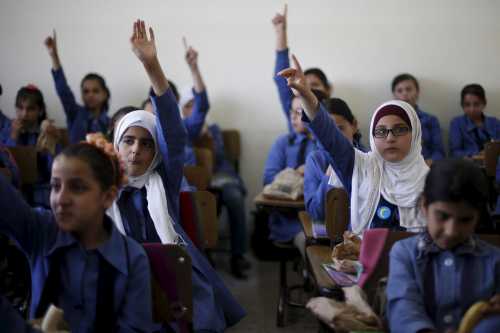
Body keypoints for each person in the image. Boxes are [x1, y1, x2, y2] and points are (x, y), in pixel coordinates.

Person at [108, 20, 245, 332]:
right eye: (128, 141)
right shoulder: (106, 188)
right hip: (123, 273)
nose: (135, 151)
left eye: (145, 143)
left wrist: (151, 64)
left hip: (173, 271)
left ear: (156, 152)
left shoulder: (163, 179)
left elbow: (171, 127)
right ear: (116, 145)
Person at [0, 141, 153, 332]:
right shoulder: (41, 230)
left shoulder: (132, 259)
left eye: (78, 188)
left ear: (107, 197)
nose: (61, 199)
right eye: (55, 187)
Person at [278, 55, 428, 234]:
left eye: (400, 129)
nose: (389, 138)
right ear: (373, 137)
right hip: (364, 259)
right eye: (381, 131)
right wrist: (306, 95)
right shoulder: (361, 166)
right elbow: (329, 135)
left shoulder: (432, 180)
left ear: (416, 134)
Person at [387, 158, 500, 333]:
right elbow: (403, 307)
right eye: (442, 216)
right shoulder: (404, 254)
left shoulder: (495, 261)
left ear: (478, 216)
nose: (451, 231)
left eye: (465, 219)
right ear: (424, 205)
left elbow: (495, 317)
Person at [272, 4, 332, 133]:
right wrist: (280, 32)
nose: (307, 90)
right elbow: (281, 77)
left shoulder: (336, 117)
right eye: (304, 85)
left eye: (314, 85)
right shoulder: (294, 105)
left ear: (329, 90)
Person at [304, 97, 366, 221]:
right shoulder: (315, 160)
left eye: (340, 129)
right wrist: (330, 177)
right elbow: (316, 213)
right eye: (329, 132)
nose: (335, 137)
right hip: (329, 235)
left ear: (353, 125)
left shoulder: (368, 158)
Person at [45, 30, 111, 143]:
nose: (90, 95)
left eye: (95, 91)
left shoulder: (111, 123)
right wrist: (54, 56)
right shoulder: (75, 113)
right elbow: (63, 91)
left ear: (105, 94)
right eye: (86, 91)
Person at [391, 73, 445, 163]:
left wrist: (430, 162)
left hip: (426, 167)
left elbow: (439, 152)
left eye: (408, 89)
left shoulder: (431, 120)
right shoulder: (387, 121)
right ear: (394, 95)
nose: (405, 94)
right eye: (400, 91)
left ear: (417, 92)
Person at [449, 84, 500, 158]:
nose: (472, 109)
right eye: (467, 104)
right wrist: (476, 154)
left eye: (476, 104)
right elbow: (454, 152)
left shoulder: (495, 123)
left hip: (494, 164)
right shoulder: (457, 123)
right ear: (462, 105)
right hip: (469, 165)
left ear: (484, 103)